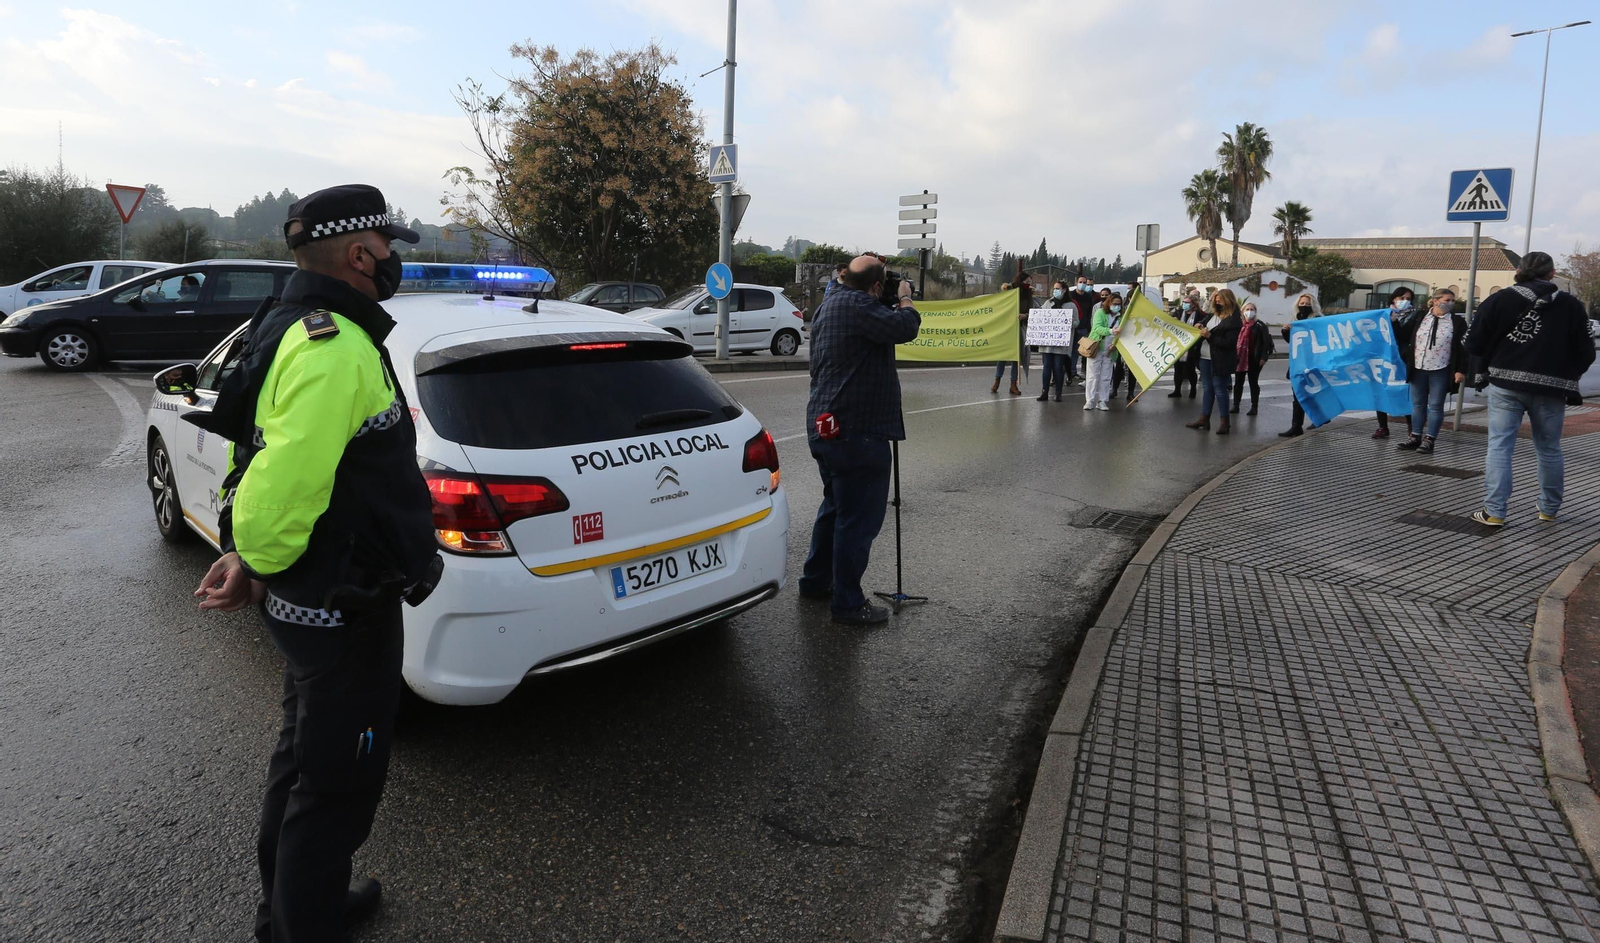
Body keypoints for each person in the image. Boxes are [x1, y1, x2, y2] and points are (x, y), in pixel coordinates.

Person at [189, 184, 442, 943]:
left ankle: (299, 908)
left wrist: (252, 558)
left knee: (304, 760)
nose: (393, 258)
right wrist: (256, 557)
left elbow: (258, 452)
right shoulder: (336, 349)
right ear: (360, 254)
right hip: (342, 604)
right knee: (337, 787)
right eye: (388, 246)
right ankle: (305, 925)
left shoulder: (288, 324)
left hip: (314, 596)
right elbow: (282, 484)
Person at [801, 255, 922, 623]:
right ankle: (848, 603)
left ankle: (816, 581)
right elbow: (906, 326)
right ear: (875, 286)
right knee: (857, 520)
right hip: (857, 431)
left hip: (826, 425)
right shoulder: (859, 306)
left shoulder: (831, 302)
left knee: (835, 508)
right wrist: (905, 296)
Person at [1464, 251, 1595, 526]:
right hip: (1552, 389)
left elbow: (1472, 342)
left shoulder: (1499, 299)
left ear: (1519, 271)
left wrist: (1494, 358)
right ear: (1552, 273)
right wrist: (1567, 373)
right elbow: (1586, 351)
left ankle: (1495, 512)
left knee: (1500, 446)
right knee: (1549, 448)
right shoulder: (1571, 305)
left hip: (1505, 385)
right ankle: (1549, 509)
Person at [1394, 289, 1468, 455]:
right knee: (1418, 405)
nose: (1450, 303)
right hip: (1418, 367)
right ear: (1435, 300)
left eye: (1452, 300)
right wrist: (1393, 322)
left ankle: (1430, 439)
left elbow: (1463, 348)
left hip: (1441, 368)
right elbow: (1404, 336)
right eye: (1447, 300)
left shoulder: (1456, 322)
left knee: (1435, 405)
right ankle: (1415, 436)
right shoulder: (1420, 317)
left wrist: (1461, 370)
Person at [1185, 288, 1243, 434]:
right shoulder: (1212, 315)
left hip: (1221, 359)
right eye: (1216, 301)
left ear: (1228, 301)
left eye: (1220, 301)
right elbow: (1203, 322)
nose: (1217, 304)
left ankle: (1225, 421)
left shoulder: (1234, 320)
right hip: (1205, 357)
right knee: (1207, 388)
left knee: (1220, 389)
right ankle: (1204, 418)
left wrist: (1210, 336)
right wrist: (1199, 325)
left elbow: (1229, 343)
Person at [1374, 286, 1418, 439]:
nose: (1405, 301)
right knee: (1381, 391)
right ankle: (1382, 426)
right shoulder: (1382, 314)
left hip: (1403, 359)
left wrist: (1394, 323)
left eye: (1408, 299)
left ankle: (1412, 427)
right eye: (1402, 298)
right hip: (1384, 358)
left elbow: (1404, 336)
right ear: (1394, 299)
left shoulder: (1414, 316)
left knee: (1404, 392)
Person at [1279, 294, 1318, 437]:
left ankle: (1321, 416)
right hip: (1298, 363)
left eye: (1307, 304)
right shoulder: (1295, 320)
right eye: (1302, 303)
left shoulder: (1318, 320)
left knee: (1314, 394)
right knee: (1298, 395)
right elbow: (1293, 343)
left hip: (1312, 363)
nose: (1304, 306)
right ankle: (1296, 426)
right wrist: (1285, 331)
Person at [990, 271, 1032, 395]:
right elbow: (1001, 306)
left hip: (1019, 328)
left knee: (1016, 357)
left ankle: (1013, 384)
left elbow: (1031, 311)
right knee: (1003, 356)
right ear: (1021, 281)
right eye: (1027, 282)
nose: (1029, 284)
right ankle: (997, 381)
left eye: (1030, 282)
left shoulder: (1028, 294)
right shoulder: (1009, 290)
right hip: (1007, 328)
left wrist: (1025, 315)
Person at [1230, 301, 1273, 416]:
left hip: (1254, 358)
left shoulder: (1260, 325)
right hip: (1240, 358)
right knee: (1238, 382)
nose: (1249, 312)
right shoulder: (1238, 325)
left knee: (1253, 382)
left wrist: (1263, 357)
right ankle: (1236, 405)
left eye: (1252, 309)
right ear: (1243, 311)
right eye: (1247, 309)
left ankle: (1254, 406)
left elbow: (1266, 343)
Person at [1035, 280, 1075, 401]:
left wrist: (1069, 322)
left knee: (1058, 368)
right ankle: (1044, 392)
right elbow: (1039, 316)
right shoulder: (1048, 303)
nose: (1055, 290)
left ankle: (1058, 393)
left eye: (1058, 288)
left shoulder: (1071, 305)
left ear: (1064, 290)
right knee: (1046, 367)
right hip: (1047, 343)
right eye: (1054, 288)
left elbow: (1077, 322)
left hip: (1061, 344)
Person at [1082, 291, 1121, 411]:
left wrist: (1116, 345)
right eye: (1114, 303)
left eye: (1119, 304)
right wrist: (1111, 331)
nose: (1117, 306)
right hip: (1096, 347)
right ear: (1109, 303)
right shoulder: (1100, 313)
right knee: (1092, 375)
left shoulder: (1121, 316)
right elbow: (1097, 328)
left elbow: (1123, 334)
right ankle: (1090, 400)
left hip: (1110, 350)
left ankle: (1102, 400)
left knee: (1106, 377)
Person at [1168, 289, 1204, 399]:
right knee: (1177, 369)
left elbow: (1203, 324)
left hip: (1192, 347)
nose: (1184, 304)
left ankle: (1193, 389)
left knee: (1190, 369)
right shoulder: (1179, 313)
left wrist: (1200, 325)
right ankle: (1177, 390)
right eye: (1184, 302)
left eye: (1187, 303)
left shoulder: (1199, 315)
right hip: (1179, 345)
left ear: (1193, 305)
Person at [1068, 276, 1096, 382]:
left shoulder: (1088, 297)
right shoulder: (1071, 295)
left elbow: (1089, 313)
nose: (1083, 284)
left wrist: (1089, 327)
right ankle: (1067, 371)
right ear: (1076, 282)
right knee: (1068, 351)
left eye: (1085, 282)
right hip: (1071, 327)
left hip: (1083, 327)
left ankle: (1073, 371)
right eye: (1081, 282)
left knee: (1077, 351)